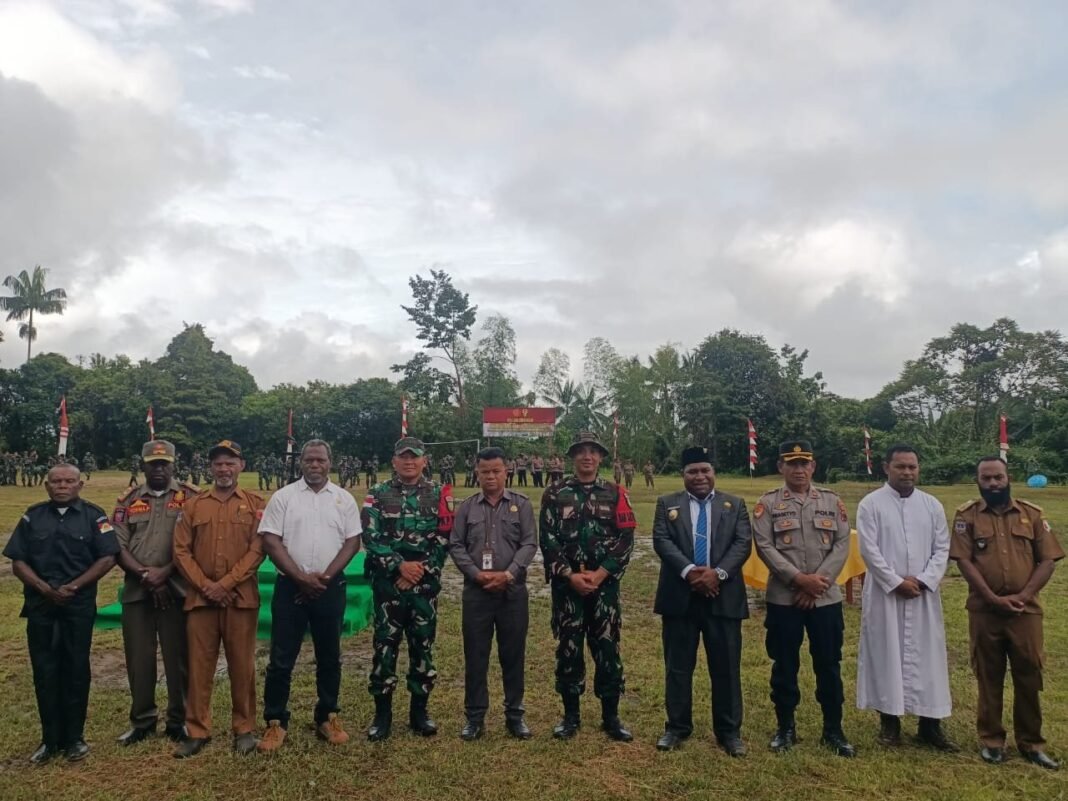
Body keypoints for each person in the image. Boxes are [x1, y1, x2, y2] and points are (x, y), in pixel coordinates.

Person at [949, 456, 1063, 769]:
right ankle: (992, 740)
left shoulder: (1032, 514)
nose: (993, 483)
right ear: (978, 481)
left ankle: (1031, 742)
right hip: (985, 612)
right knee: (989, 675)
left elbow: (1048, 560)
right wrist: (991, 598)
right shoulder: (967, 516)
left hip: (1025, 613)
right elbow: (964, 561)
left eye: (997, 477)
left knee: (1029, 675)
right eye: (986, 478)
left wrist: (1024, 596)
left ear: (1008, 477)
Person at [3, 463, 119, 763]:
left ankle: (74, 739)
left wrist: (74, 586)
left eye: (69, 481)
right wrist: (43, 587)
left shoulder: (95, 516)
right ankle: (49, 740)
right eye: (56, 481)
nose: (62, 486)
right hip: (41, 606)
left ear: (80, 485)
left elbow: (108, 558)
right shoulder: (33, 516)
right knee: (45, 670)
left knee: (76, 669)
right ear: (47, 485)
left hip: (77, 606)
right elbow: (18, 561)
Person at [257, 439, 362, 752]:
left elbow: (352, 542)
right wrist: (300, 578)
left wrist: (324, 579)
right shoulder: (284, 497)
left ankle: (327, 716)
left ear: (330, 462)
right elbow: (270, 541)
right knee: (280, 659)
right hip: (290, 588)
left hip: (330, 587)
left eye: (320, 460)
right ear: (300, 462)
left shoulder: (344, 499)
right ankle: (275, 721)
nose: (315, 465)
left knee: (329, 656)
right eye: (309, 460)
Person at [752, 441, 855, 757]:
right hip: (785, 599)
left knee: (829, 664)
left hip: (825, 597)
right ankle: (785, 728)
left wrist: (816, 584)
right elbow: (764, 546)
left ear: (813, 466)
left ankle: (833, 730)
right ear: (780, 467)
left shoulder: (831, 501)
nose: (798, 469)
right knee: (784, 664)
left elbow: (842, 544)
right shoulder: (768, 503)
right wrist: (799, 580)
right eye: (791, 463)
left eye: (804, 463)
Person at [651, 446, 752, 756]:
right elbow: (662, 541)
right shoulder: (667, 503)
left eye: (705, 470)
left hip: (723, 597)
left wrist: (716, 575)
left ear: (713, 472)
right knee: (678, 667)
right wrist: (690, 573)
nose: (699, 476)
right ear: (683, 475)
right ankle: (677, 727)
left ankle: (729, 732)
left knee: (726, 668)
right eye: (692, 471)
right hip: (680, 598)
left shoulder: (735, 504)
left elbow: (742, 543)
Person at [856, 444, 957, 751]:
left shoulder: (931, 505)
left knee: (928, 657)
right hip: (885, 594)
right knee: (885, 654)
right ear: (886, 467)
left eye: (912, 467)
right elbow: (868, 550)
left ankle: (930, 726)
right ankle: (890, 723)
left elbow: (942, 548)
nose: (907, 472)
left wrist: (925, 580)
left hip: (923, 595)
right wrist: (896, 581)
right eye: (900, 466)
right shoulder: (870, 504)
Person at [172, 440, 266, 758]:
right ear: (210, 468)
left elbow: (258, 550)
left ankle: (244, 729)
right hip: (201, 601)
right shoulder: (194, 505)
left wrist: (225, 584)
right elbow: (180, 551)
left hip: (241, 599)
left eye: (230, 463)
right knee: (199, 666)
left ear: (241, 466)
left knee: (242, 665)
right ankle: (197, 730)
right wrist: (207, 586)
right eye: (218, 464)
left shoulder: (255, 504)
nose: (224, 469)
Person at [539, 431, 636, 742]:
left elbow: (626, 538)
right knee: (569, 648)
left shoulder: (615, 492)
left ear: (601, 457)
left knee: (607, 648)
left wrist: (601, 574)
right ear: (572, 456)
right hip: (568, 588)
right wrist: (570, 575)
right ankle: (571, 716)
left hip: (603, 587)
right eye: (580, 451)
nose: (587, 456)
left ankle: (611, 717)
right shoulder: (555, 493)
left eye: (593, 451)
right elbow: (548, 539)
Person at [362, 437, 454, 741]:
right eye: (403, 456)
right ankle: (382, 715)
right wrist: (398, 566)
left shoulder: (439, 493)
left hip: (424, 586)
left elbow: (445, 535)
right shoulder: (378, 493)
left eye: (414, 456)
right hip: (388, 585)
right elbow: (370, 535)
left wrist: (419, 570)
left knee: (422, 646)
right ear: (394, 461)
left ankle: (419, 712)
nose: (409, 461)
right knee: (384, 647)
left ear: (424, 460)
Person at [448, 446, 538, 741]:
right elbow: (456, 544)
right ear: (477, 473)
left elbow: (529, 543)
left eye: (496, 471)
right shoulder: (466, 507)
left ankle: (515, 715)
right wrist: (476, 574)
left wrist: (508, 574)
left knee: (513, 655)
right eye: (485, 471)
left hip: (512, 593)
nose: (491, 476)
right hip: (477, 593)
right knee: (476, 656)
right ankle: (475, 718)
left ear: (506, 471)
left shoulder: (521, 505)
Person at [113, 440, 198, 746]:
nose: (159, 469)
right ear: (143, 466)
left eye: (164, 463)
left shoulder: (191, 498)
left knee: (179, 658)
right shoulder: (128, 500)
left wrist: (165, 574)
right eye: (152, 464)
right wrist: (146, 576)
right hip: (138, 591)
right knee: (139, 659)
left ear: (174, 465)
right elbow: (117, 545)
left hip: (177, 590)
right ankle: (142, 721)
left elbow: (196, 542)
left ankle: (179, 719)